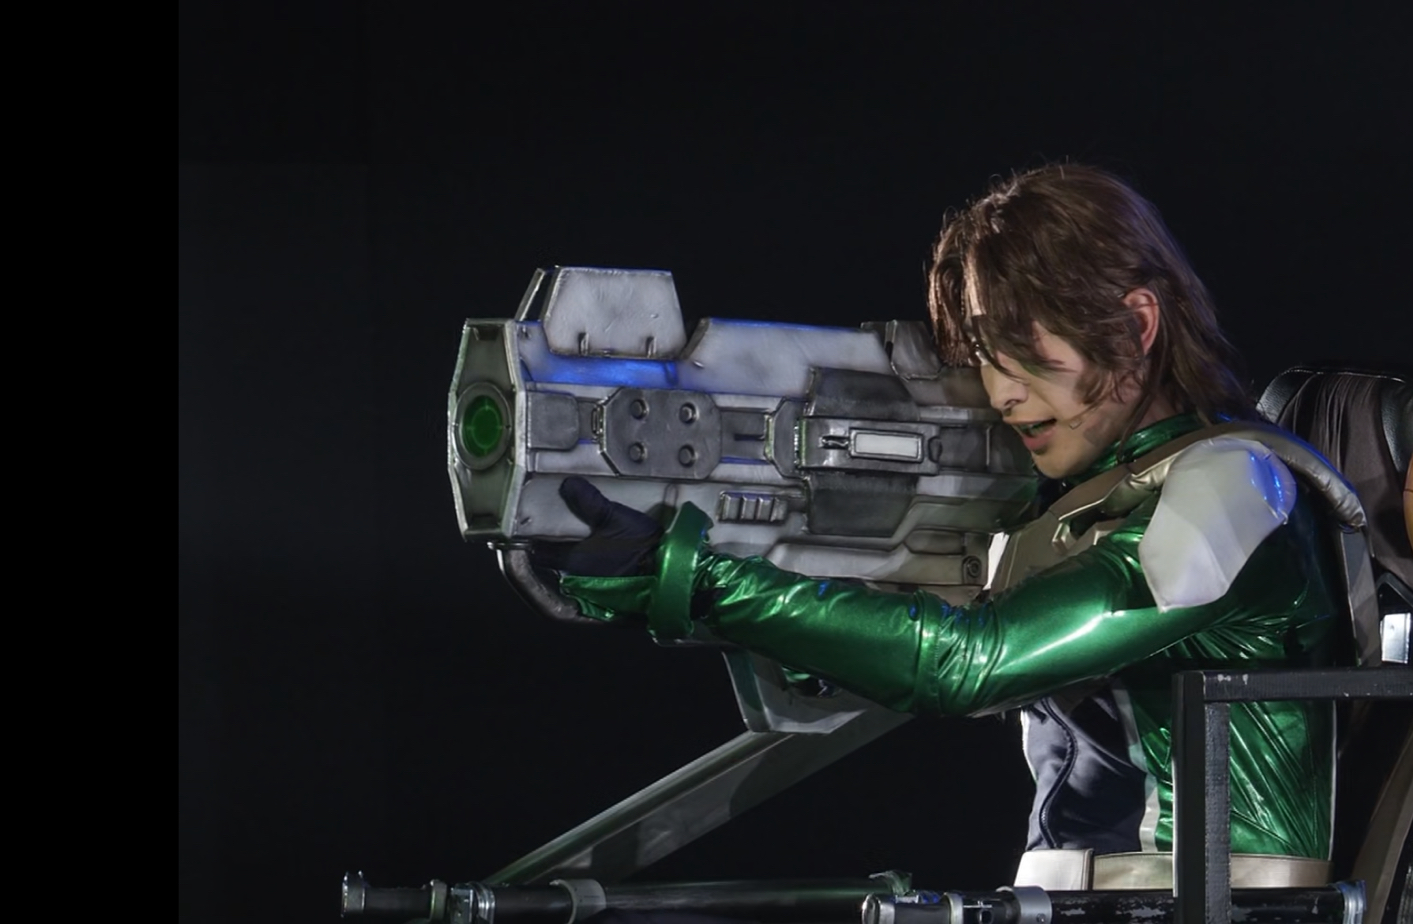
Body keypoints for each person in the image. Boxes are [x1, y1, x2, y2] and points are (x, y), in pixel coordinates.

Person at [550, 163, 1362, 891]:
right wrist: (694, 581)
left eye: (1024, 350)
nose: (1002, 394)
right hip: (1075, 902)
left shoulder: (1235, 485)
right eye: (984, 356)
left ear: (1136, 325)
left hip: (1215, 909)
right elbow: (938, 654)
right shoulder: (1088, 496)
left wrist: (700, 579)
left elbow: (973, 664)